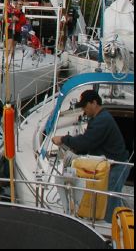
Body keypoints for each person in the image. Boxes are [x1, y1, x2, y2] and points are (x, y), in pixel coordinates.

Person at [52, 90, 129, 222]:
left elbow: (86, 142)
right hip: (112, 166)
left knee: (108, 202)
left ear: (93, 103)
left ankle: (109, 230)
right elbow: (90, 144)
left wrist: (64, 139)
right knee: (109, 199)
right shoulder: (99, 119)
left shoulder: (103, 120)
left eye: (84, 106)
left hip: (116, 168)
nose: (83, 109)